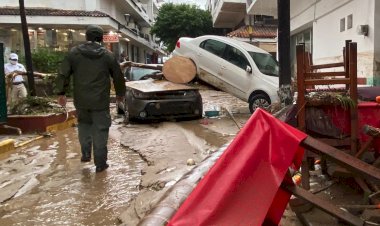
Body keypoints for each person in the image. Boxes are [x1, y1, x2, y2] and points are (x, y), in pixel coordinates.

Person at [55, 25, 126, 173]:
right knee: (100, 130)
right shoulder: (107, 55)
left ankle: (86, 153)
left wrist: (61, 93)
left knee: (84, 126)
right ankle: (100, 163)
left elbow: (63, 74)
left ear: (86, 37)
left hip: (81, 101)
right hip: (100, 102)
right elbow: (118, 76)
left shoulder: (74, 54)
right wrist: (120, 94)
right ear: (101, 38)